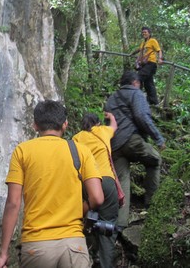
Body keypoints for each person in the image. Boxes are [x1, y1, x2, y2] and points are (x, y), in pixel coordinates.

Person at [0, 100, 105, 268]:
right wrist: (82, 207)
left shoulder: (22, 151)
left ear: (35, 125)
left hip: (36, 246)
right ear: (65, 124)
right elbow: (97, 198)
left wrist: (3, 253)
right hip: (74, 246)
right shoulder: (81, 150)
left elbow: (13, 203)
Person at [105, 71, 166, 233]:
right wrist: (158, 138)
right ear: (135, 82)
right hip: (132, 140)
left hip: (114, 144)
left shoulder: (111, 98)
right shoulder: (136, 93)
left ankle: (120, 223)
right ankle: (152, 203)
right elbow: (141, 115)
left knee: (122, 179)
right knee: (155, 160)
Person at [73, 112, 123, 268]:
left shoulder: (76, 138)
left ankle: (90, 257)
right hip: (107, 182)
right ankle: (105, 262)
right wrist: (111, 117)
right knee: (106, 227)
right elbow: (114, 127)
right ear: (97, 123)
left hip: (87, 183)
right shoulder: (102, 131)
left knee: (86, 221)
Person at [130, 26, 163, 105]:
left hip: (151, 63)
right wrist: (132, 53)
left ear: (149, 33)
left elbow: (159, 50)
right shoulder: (143, 42)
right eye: (143, 32)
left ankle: (137, 98)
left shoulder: (153, 41)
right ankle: (153, 102)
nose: (144, 34)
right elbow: (140, 49)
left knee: (139, 77)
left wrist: (160, 58)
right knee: (149, 83)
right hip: (144, 64)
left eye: (145, 32)